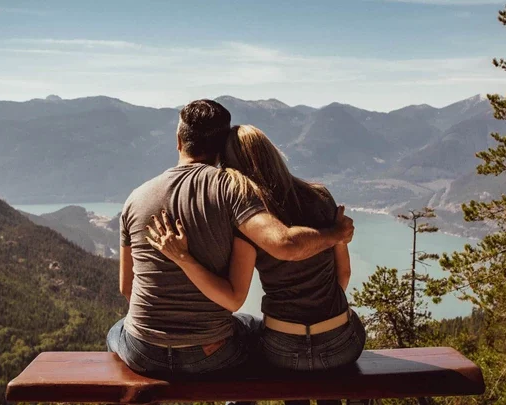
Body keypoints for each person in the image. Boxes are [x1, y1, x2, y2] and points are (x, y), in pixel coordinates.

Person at [107, 101, 355, 378]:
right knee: (248, 328)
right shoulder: (233, 191)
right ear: (220, 147)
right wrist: (336, 234)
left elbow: (127, 289)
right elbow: (282, 249)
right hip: (211, 352)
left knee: (116, 330)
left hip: (143, 351)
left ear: (178, 141)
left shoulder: (135, 199)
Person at [147, 124, 366, 404]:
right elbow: (343, 274)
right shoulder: (320, 197)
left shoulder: (251, 222)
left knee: (253, 341)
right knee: (335, 355)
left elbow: (235, 293)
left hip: (283, 345)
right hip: (339, 342)